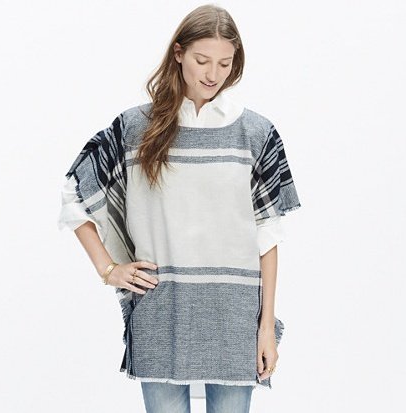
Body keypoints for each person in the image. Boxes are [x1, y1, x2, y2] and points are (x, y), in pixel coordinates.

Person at [57, 4, 301, 413]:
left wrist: (266, 328)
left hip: (234, 314)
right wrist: (108, 268)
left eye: (225, 63)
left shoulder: (256, 133)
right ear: (178, 53)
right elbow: (75, 191)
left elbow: (267, 234)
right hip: (161, 309)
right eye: (202, 60)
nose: (213, 74)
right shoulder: (136, 128)